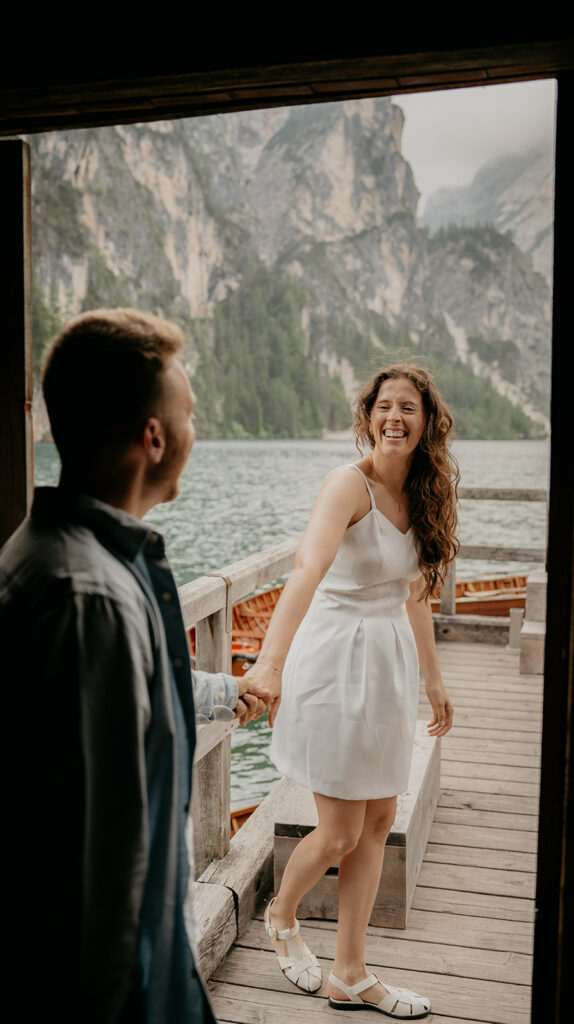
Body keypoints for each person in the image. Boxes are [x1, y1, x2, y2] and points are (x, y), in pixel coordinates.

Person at [0, 309, 266, 1023]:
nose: (193, 430)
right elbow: (102, 872)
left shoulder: (61, 560)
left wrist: (221, 690)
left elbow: (125, 700)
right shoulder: (89, 600)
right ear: (154, 438)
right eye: (189, 415)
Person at [247, 364, 458, 1019]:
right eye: (384, 406)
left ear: (427, 422)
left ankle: (349, 973)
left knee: (379, 822)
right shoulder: (348, 484)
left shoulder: (425, 490)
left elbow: (415, 593)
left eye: (408, 408)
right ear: (368, 416)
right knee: (339, 832)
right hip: (334, 661)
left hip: (388, 666)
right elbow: (307, 568)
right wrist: (270, 664)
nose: (395, 417)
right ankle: (281, 914)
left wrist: (433, 679)